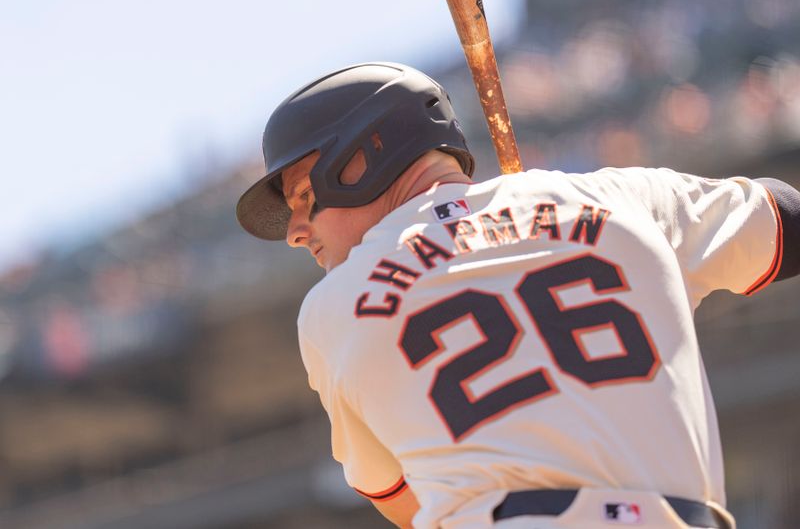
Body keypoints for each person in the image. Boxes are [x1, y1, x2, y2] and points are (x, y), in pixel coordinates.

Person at [236, 62, 799, 528]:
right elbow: (787, 220)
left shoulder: (331, 312)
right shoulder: (621, 197)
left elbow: (402, 502)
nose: (295, 231)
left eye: (305, 196)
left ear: (368, 155)